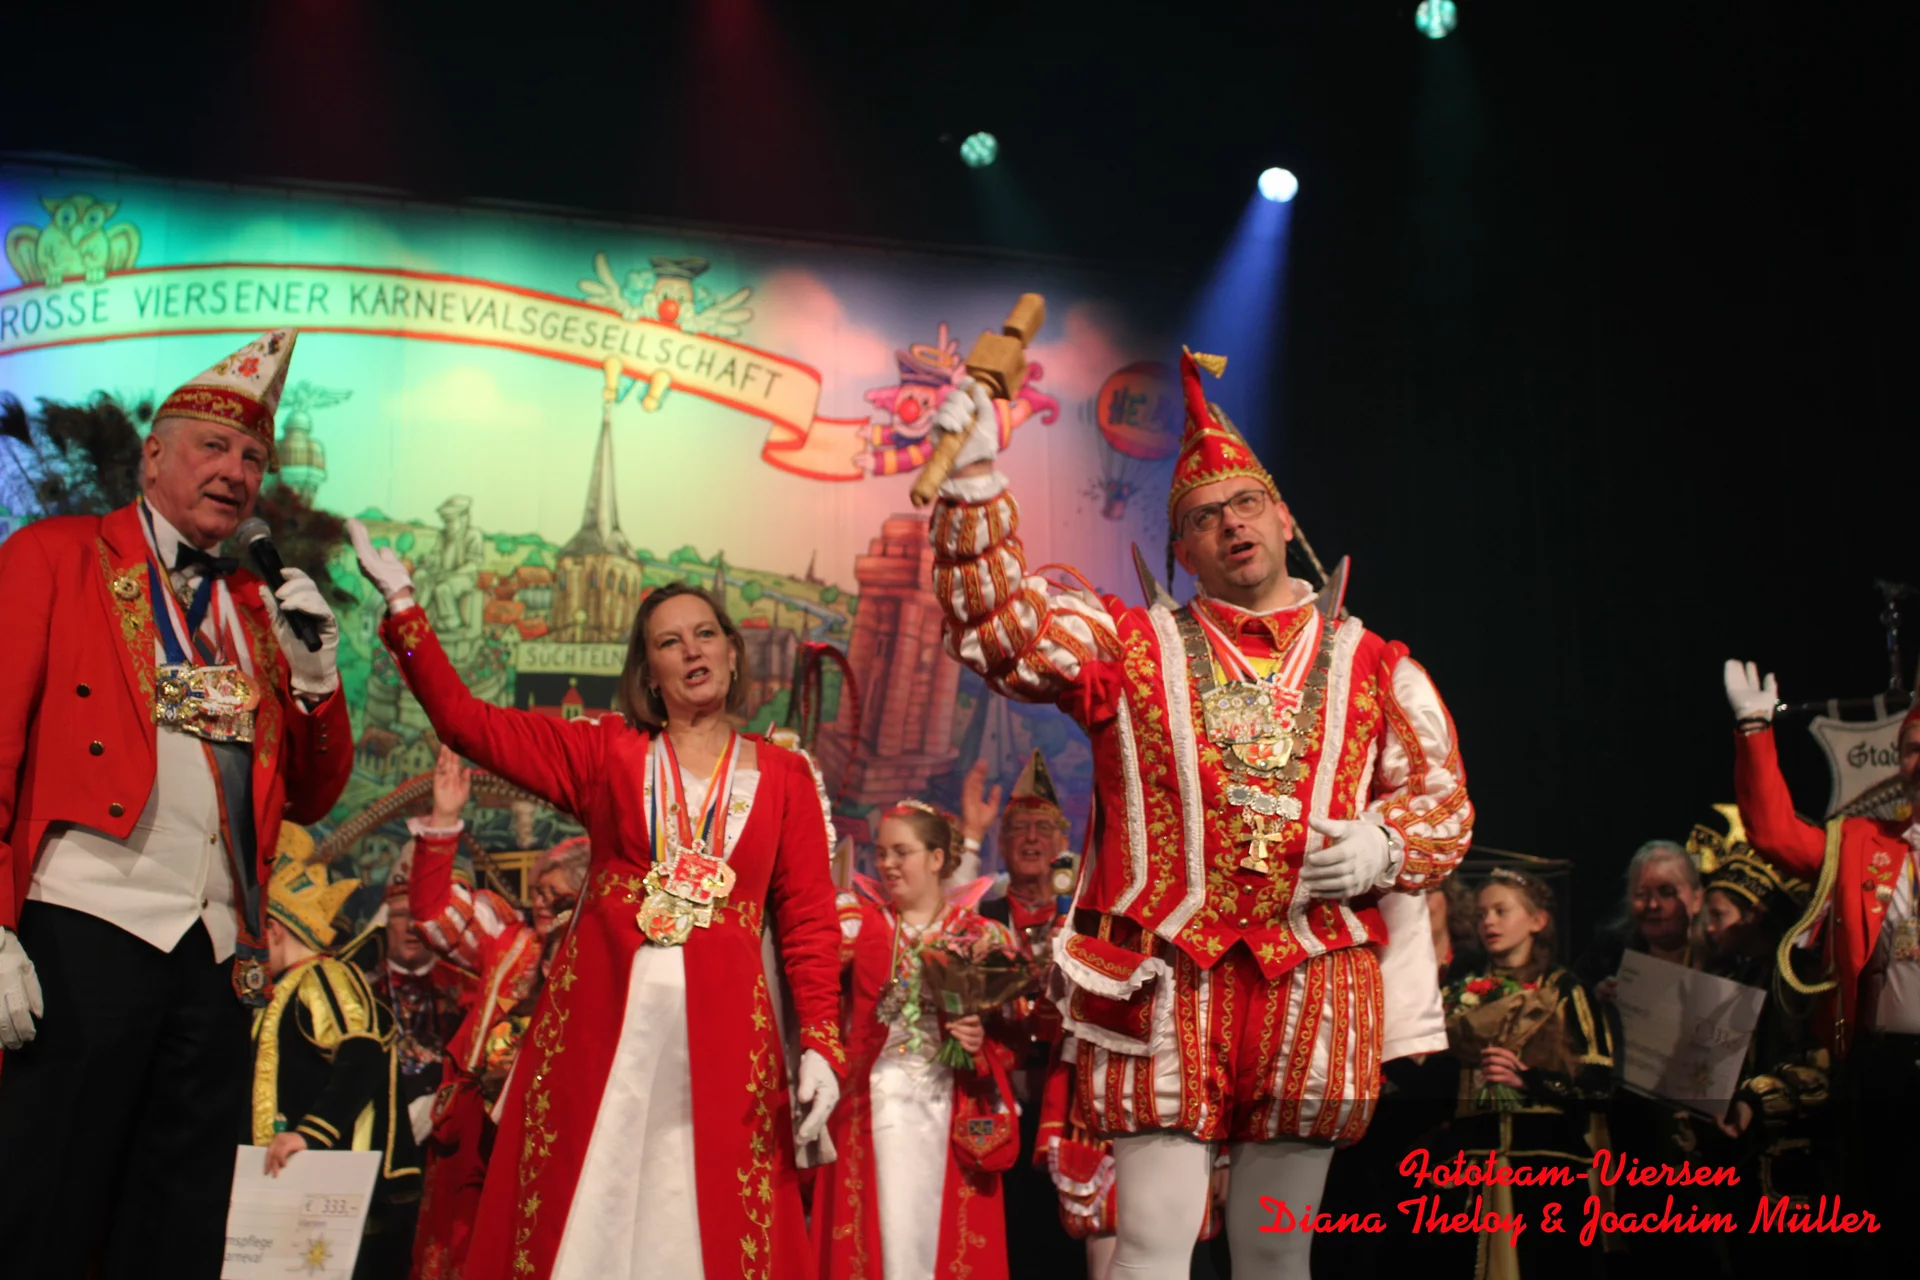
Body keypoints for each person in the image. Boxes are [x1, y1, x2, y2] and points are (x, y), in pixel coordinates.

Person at [922, 348, 1471, 1277]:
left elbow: (1442, 800)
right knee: (1148, 1246)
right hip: (1162, 983)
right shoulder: (1127, 643)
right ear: (1181, 551)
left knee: (1276, 1256)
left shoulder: (1374, 664)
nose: (1230, 525)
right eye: (1202, 518)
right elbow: (1001, 633)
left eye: (1245, 504)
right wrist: (974, 480)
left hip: (1308, 983)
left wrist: (1384, 846)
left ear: (1285, 518)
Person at [350, 526, 846, 1280]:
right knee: (585, 1226)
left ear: (733, 651)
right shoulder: (607, 751)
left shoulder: (785, 777)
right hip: (602, 1036)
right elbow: (466, 722)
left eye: (705, 633)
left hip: (726, 1049)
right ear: (649, 673)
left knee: (696, 1231)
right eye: (670, 642)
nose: (692, 650)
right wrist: (404, 609)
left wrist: (821, 1046)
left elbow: (809, 921)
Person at [0, 330, 352, 1278]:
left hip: (216, 953)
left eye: (253, 458)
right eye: (213, 446)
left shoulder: (252, 611)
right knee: (47, 1207)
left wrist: (317, 682)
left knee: (179, 1226)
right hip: (83, 922)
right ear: (153, 456)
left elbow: (309, 794)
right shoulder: (56, 556)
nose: (235, 471)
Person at [1725, 661, 1920, 1262]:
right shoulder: (1863, 842)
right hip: (1883, 1069)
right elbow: (1774, 834)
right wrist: (1755, 728)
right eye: (1913, 748)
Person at [813, 801, 1021, 1280]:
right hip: (871, 1105)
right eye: (881, 853)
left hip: (951, 1106)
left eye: (901, 852)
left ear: (936, 858)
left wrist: (979, 1042)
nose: (887, 864)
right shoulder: (858, 925)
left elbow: (1017, 1038)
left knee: (940, 1234)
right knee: (881, 1231)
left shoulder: (982, 938)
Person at [407, 746, 588, 1280]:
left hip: (553, 1137)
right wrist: (443, 822)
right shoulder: (508, 939)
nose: (543, 907)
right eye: (539, 894)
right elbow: (434, 919)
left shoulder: (602, 960)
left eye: (559, 900)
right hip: (475, 1131)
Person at [254, 826, 419, 1280]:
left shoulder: (324, 978)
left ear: (273, 930)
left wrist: (311, 1133)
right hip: (288, 1181)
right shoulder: (289, 985)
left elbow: (362, 1054)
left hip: (324, 1181)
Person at [1433, 869, 1611, 1280]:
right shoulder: (1463, 989)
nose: (1489, 922)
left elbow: (1598, 1083)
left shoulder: (1566, 988)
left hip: (1544, 1169)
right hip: (1472, 1165)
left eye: (1501, 911)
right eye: (1481, 914)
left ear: (1537, 920)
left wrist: (1529, 1080)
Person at [1575, 839, 1704, 999]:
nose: (1652, 905)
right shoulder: (1605, 956)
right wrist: (1594, 999)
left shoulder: (1717, 958)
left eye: (1666, 892)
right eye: (1641, 895)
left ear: (1697, 898)